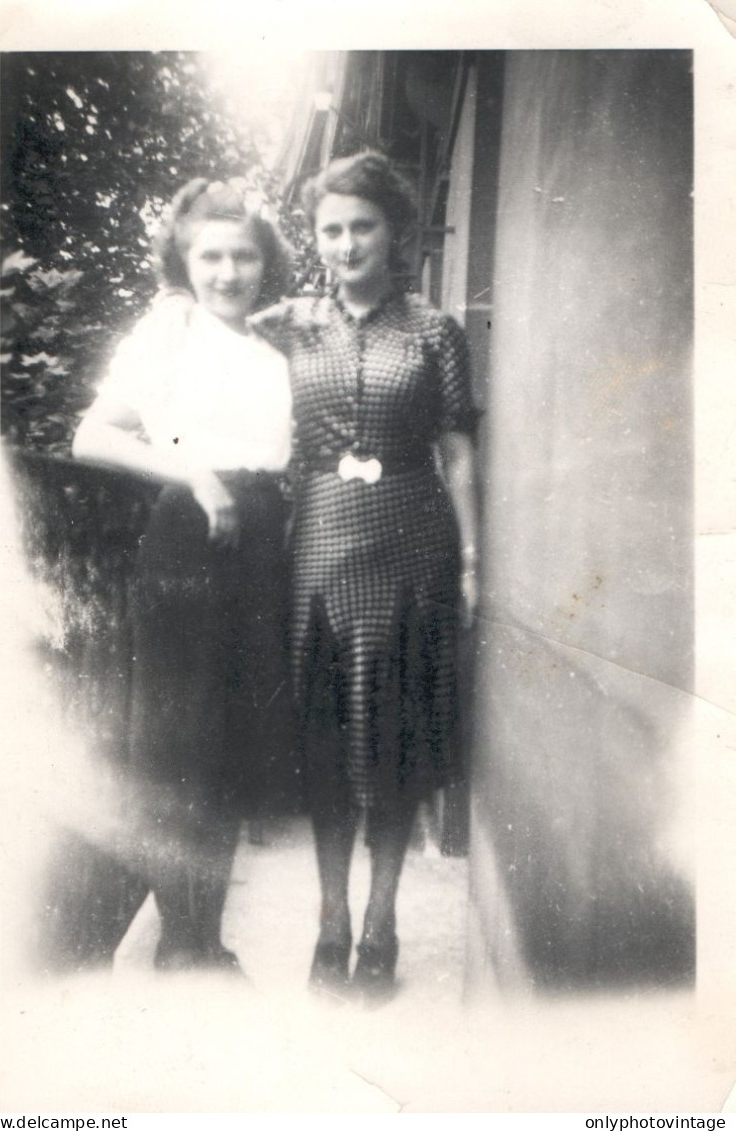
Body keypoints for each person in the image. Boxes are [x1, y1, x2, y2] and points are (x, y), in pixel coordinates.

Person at [251, 151, 480, 1001]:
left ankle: (380, 925)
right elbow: (210, 326)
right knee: (323, 742)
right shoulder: (289, 324)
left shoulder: (434, 331)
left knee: (393, 741)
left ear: (397, 234)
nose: (346, 245)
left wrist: (470, 559)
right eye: (331, 229)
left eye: (363, 227)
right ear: (316, 238)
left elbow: (457, 452)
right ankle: (330, 921)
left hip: (410, 544)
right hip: (315, 543)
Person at [72, 178, 296, 974]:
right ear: (185, 258)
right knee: (180, 741)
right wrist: (192, 475)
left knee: (235, 741)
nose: (228, 271)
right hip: (188, 537)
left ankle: (210, 935)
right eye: (211, 254)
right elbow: (91, 435)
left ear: (265, 262)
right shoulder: (168, 333)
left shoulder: (276, 352)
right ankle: (182, 938)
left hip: (262, 541)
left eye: (243, 254)